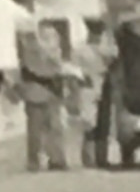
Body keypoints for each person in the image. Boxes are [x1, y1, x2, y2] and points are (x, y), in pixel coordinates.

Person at [18, 24, 69, 172]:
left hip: (48, 93)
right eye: (50, 36)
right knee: (38, 130)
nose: (54, 40)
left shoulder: (43, 50)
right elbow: (50, 67)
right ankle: (38, 161)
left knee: (53, 128)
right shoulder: (35, 50)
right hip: (39, 92)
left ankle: (55, 159)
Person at [73, 19, 115, 168]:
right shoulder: (80, 49)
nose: (97, 36)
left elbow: (113, 62)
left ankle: (101, 157)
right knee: (89, 123)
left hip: (104, 85)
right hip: (88, 86)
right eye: (95, 33)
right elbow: (75, 69)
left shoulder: (106, 49)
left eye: (99, 33)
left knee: (104, 124)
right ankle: (88, 158)